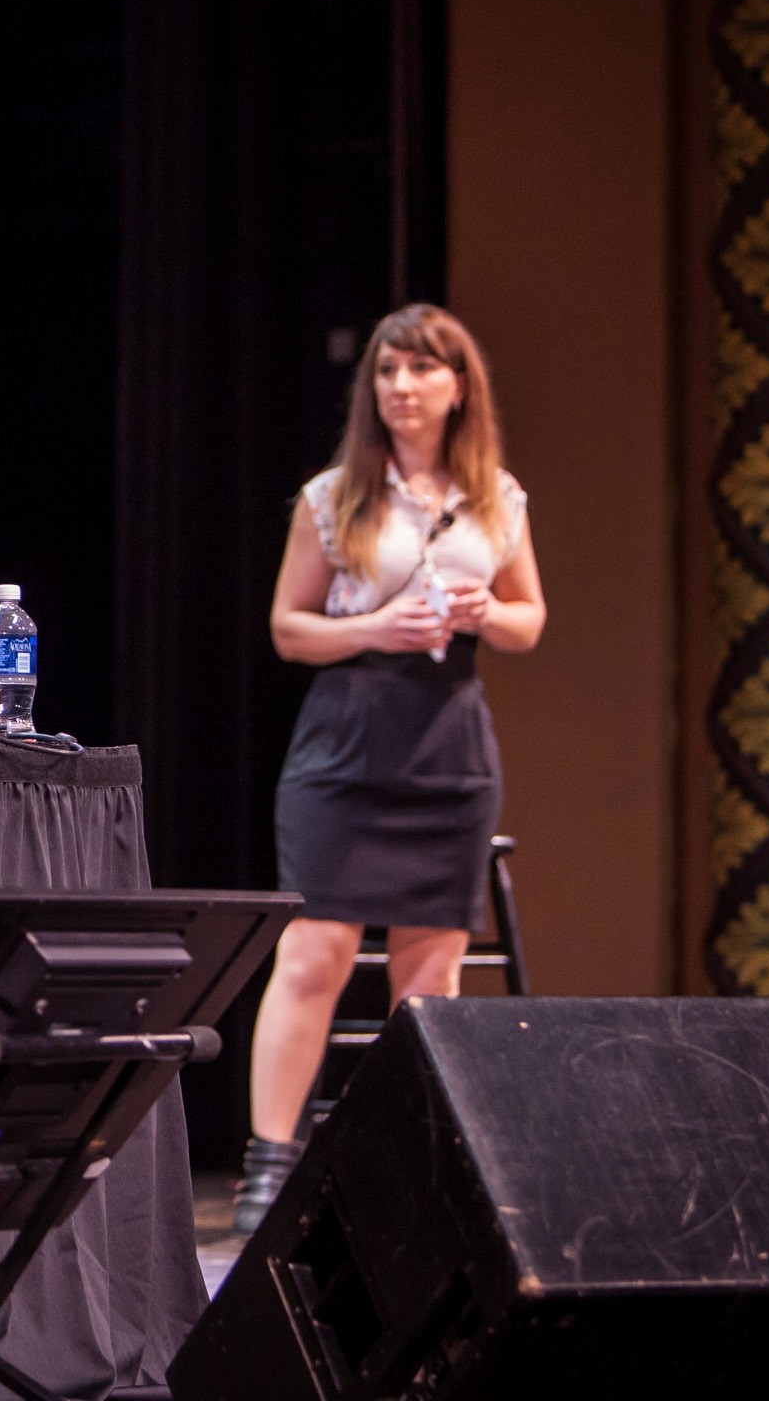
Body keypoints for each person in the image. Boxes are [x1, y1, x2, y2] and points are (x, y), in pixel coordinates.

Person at [237, 303, 545, 1232]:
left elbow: (531, 620)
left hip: (447, 743)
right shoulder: (336, 496)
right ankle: (270, 1166)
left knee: (429, 976)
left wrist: (484, 613)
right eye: (387, 372)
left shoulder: (499, 496)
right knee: (315, 953)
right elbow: (289, 629)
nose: (402, 388)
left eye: (421, 370)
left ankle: (403, 1169)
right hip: (346, 739)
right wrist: (375, 626)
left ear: (459, 388)